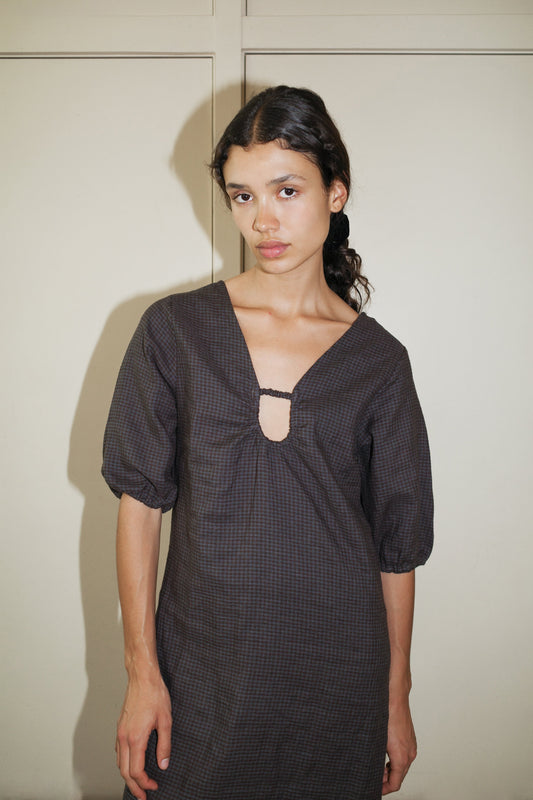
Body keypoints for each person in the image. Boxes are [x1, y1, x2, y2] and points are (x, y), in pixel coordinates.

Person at [102, 85, 433, 800]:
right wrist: (141, 673)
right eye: (242, 195)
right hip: (200, 671)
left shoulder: (379, 362)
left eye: (286, 190)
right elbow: (139, 507)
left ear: (336, 191)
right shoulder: (175, 331)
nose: (262, 219)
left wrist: (396, 697)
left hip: (337, 680)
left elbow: (396, 548)